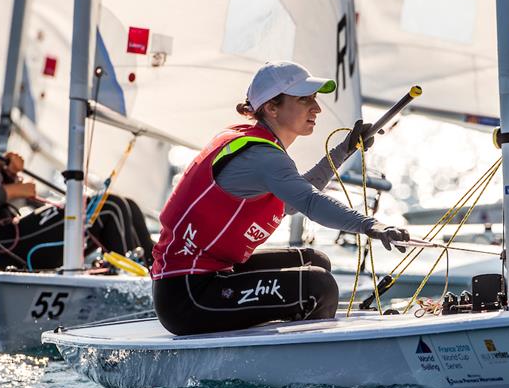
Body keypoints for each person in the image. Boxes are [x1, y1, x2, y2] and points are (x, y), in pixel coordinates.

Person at [151, 61, 410, 335]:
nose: (317, 108)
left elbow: (292, 200)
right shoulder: (262, 157)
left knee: (315, 261)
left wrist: (343, 151)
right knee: (317, 287)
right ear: (272, 108)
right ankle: (309, 362)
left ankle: (296, 334)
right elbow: (309, 201)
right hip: (188, 296)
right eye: (304, 99)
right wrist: (371, 225)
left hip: (213, 275)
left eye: (314, 99)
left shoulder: (257, 145)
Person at [0, 41, 154, 273]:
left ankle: (158, 283)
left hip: (2, 232)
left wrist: (8, 176)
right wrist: (12, 191)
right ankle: (136, 297)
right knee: (109, 209)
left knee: (127, 207)